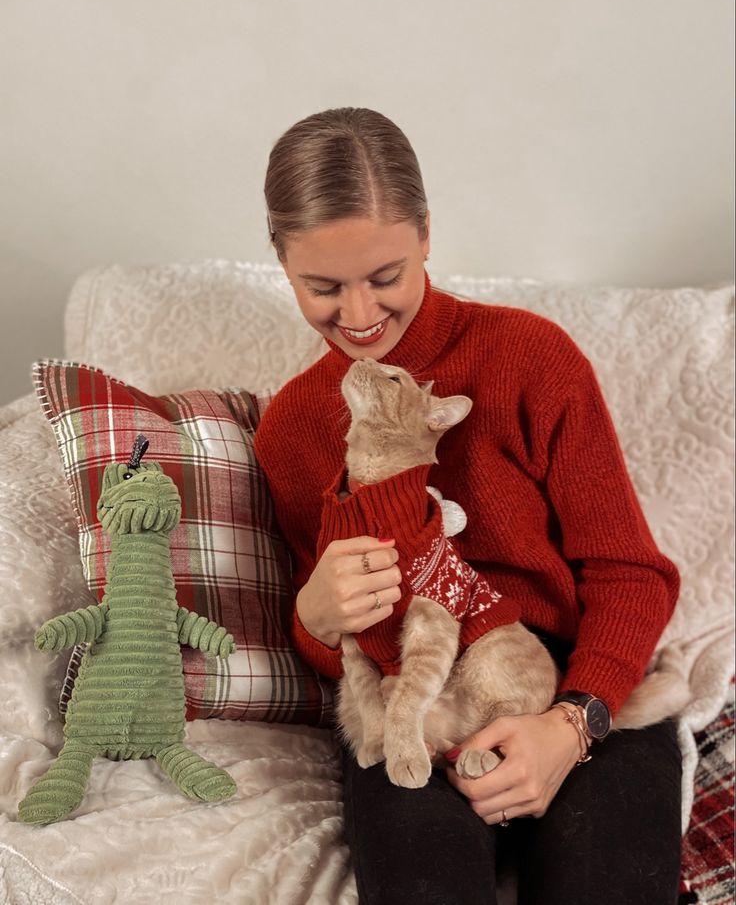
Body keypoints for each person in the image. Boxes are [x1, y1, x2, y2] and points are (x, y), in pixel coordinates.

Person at [253, 107, 683, 905]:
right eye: (323, 287)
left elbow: (631, 572)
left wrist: (573, 722)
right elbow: (341, 651)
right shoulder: (294, 428)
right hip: (409, 697)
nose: (358, 316)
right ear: (281, 263)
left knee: (610, 883)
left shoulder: (531, 356)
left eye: (384, 277)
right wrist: (313, 619)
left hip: (570, 674)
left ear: (425, 233)